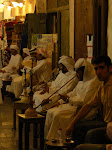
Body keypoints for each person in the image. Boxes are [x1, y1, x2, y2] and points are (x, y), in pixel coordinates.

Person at [44, 58, 101, 141]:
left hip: (84, 111)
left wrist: (68, 99)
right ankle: (49, 139)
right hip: (74, 106)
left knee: (58, 115)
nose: (77, 75)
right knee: (51, 111)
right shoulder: (81, 81)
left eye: (78, 72)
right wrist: (60, 102)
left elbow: (84, 102)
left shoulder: (93, 83)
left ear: (85, 71)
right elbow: (72, 93)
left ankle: (62, 140)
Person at [65, 56, 112, 145]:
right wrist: (72, 124)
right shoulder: (102, 86)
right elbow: (88, 105)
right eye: (96, 69)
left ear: (110, 68)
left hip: (110, 126)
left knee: (91, 135)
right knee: (77, 127)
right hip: (105, 123)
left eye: (101, 68)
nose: (98, 72)